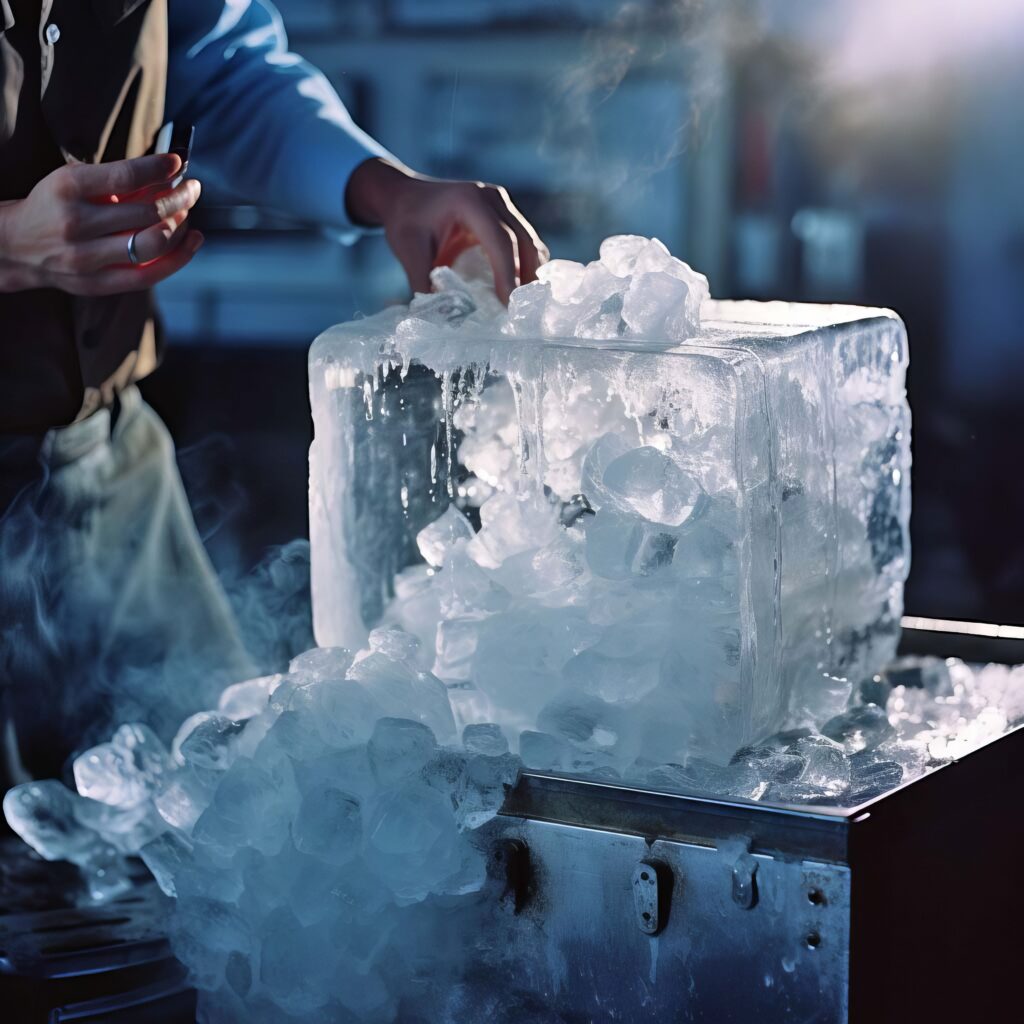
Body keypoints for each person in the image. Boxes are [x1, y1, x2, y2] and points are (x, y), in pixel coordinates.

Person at [0, 0, 547, 783]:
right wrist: (9, 247)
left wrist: (390, 191)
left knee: (231, 801)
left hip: (109, 467)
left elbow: (219, 71)